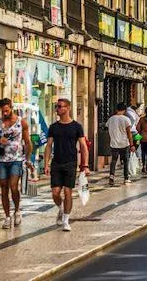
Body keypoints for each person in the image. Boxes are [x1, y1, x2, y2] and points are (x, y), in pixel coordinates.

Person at [44, 98, 88, 232]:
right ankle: (62, 208)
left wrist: (84, 165)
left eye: (60, 106)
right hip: (56, 163)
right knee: (55, 193)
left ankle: (66, 220)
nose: (57, 109)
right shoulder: (54, 127)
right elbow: (48, 146)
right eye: (57, 106)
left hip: (71, 163)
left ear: (67, 108)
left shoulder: (76, 127)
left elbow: (83, 146)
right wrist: (46, 163)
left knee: (68, 191)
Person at [0, 98, 33, 229]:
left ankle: (17, 211)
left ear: (11, 108)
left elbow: (27, 141)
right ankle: (7, 217)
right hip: (1, 160)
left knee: (14, 186)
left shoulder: (21, 122)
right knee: (3, 188)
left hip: (16, 159)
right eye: (3, 111)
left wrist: (28, 158)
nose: (5, 114)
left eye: (7, 111)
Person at [106, 103, 135, 186]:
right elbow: (129, 133)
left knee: (114, 161)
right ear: (125, 110)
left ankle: (111, 177)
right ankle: (126, 178)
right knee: (126, 161)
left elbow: (108, 128)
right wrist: (132, 144)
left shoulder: (111, 119)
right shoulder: (126, 119)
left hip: (114, 143)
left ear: (116, 109)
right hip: (124, 144)